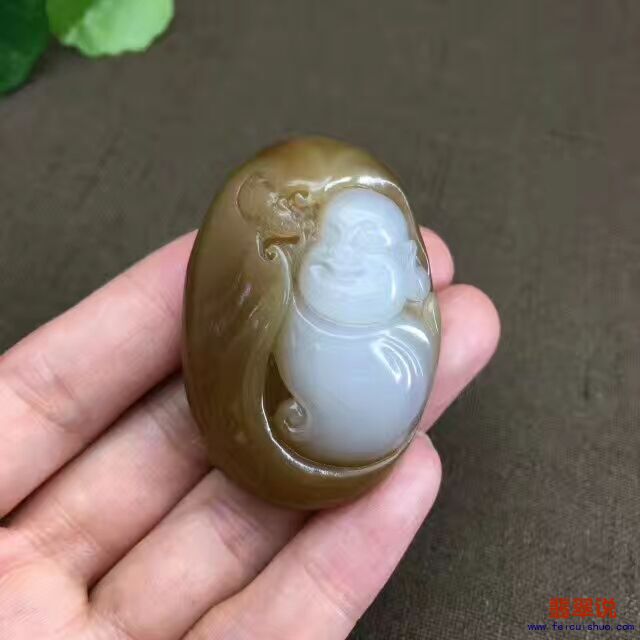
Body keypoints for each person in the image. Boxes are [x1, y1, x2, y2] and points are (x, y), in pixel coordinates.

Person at [0, 228, 499, 639]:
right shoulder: (292, 300)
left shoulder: (392, 336)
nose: (344, 256)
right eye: (333, 242)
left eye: (366, 245)